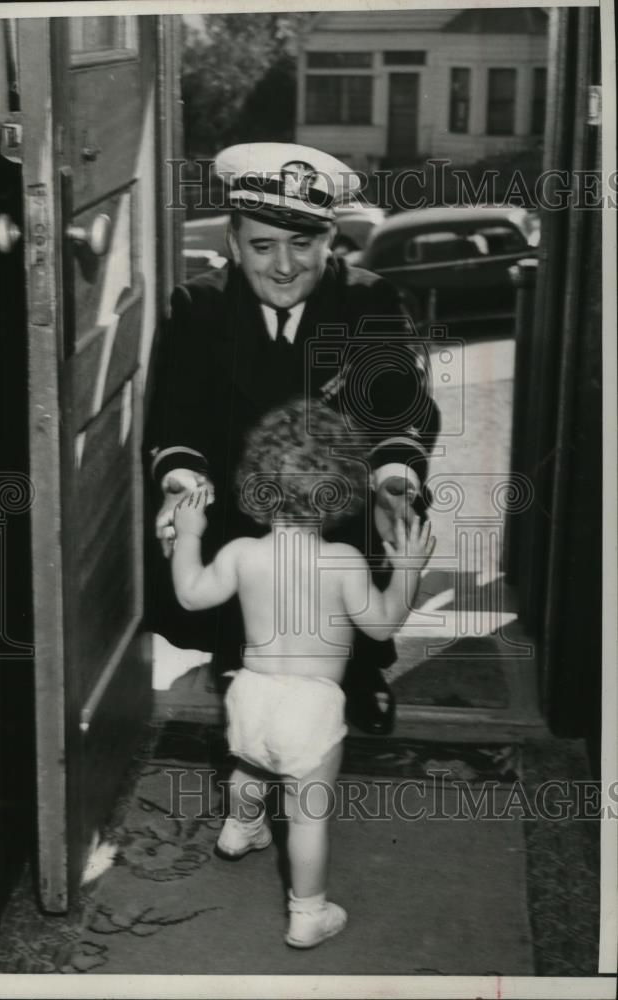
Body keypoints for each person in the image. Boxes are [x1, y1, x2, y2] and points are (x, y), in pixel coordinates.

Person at [145, 142, 441, 732]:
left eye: (302, 243)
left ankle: (360, 671)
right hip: (238, 504)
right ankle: (237, 658)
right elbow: (175, 421)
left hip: (343, 509)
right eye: (262, 246)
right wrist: (181, 481)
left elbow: (401, 409)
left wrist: (394, 478)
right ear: (231, 244)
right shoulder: (198, 307)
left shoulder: (369, 301)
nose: (284, 266)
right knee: (231, 549)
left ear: (331, 239)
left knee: (365, 538)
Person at [170, 399, 436, 947]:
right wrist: (407, 570)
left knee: (252, 763)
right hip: (311, 706)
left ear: (256, 485)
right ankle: (307, 912)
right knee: (307, 813)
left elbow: (191, 594)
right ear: (341, 493)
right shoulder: (343, 561)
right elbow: (383, 627)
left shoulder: (242, 552)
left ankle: (242, 827)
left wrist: (189, 533)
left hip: (249, 694)